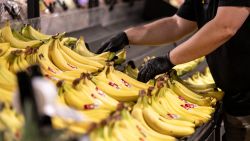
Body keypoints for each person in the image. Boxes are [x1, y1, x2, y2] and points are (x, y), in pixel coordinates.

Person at [97, 0, 250, 140]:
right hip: (237, 100)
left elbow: (225, 26)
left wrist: (168, 59)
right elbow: (177, 24)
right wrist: (127, 36)